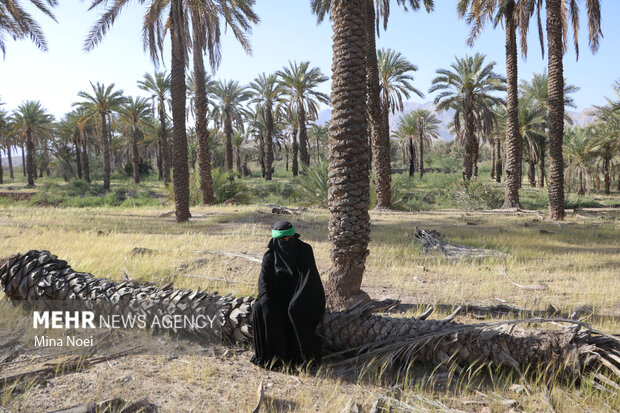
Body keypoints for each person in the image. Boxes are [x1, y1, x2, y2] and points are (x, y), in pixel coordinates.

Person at [250, 221, 326, 369]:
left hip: (304, 292)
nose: (286, 242)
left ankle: (307, 358)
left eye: (289, 239)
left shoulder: (304, 250)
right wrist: (267, 301)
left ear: (293, 237)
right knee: (261, 306)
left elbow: (308, 278)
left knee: (295, 310)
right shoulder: (270, 256)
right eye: (281, 240)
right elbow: (264, 283)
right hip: (279, 294)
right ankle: (275, 358)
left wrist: (296, 301)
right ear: (275, 240)